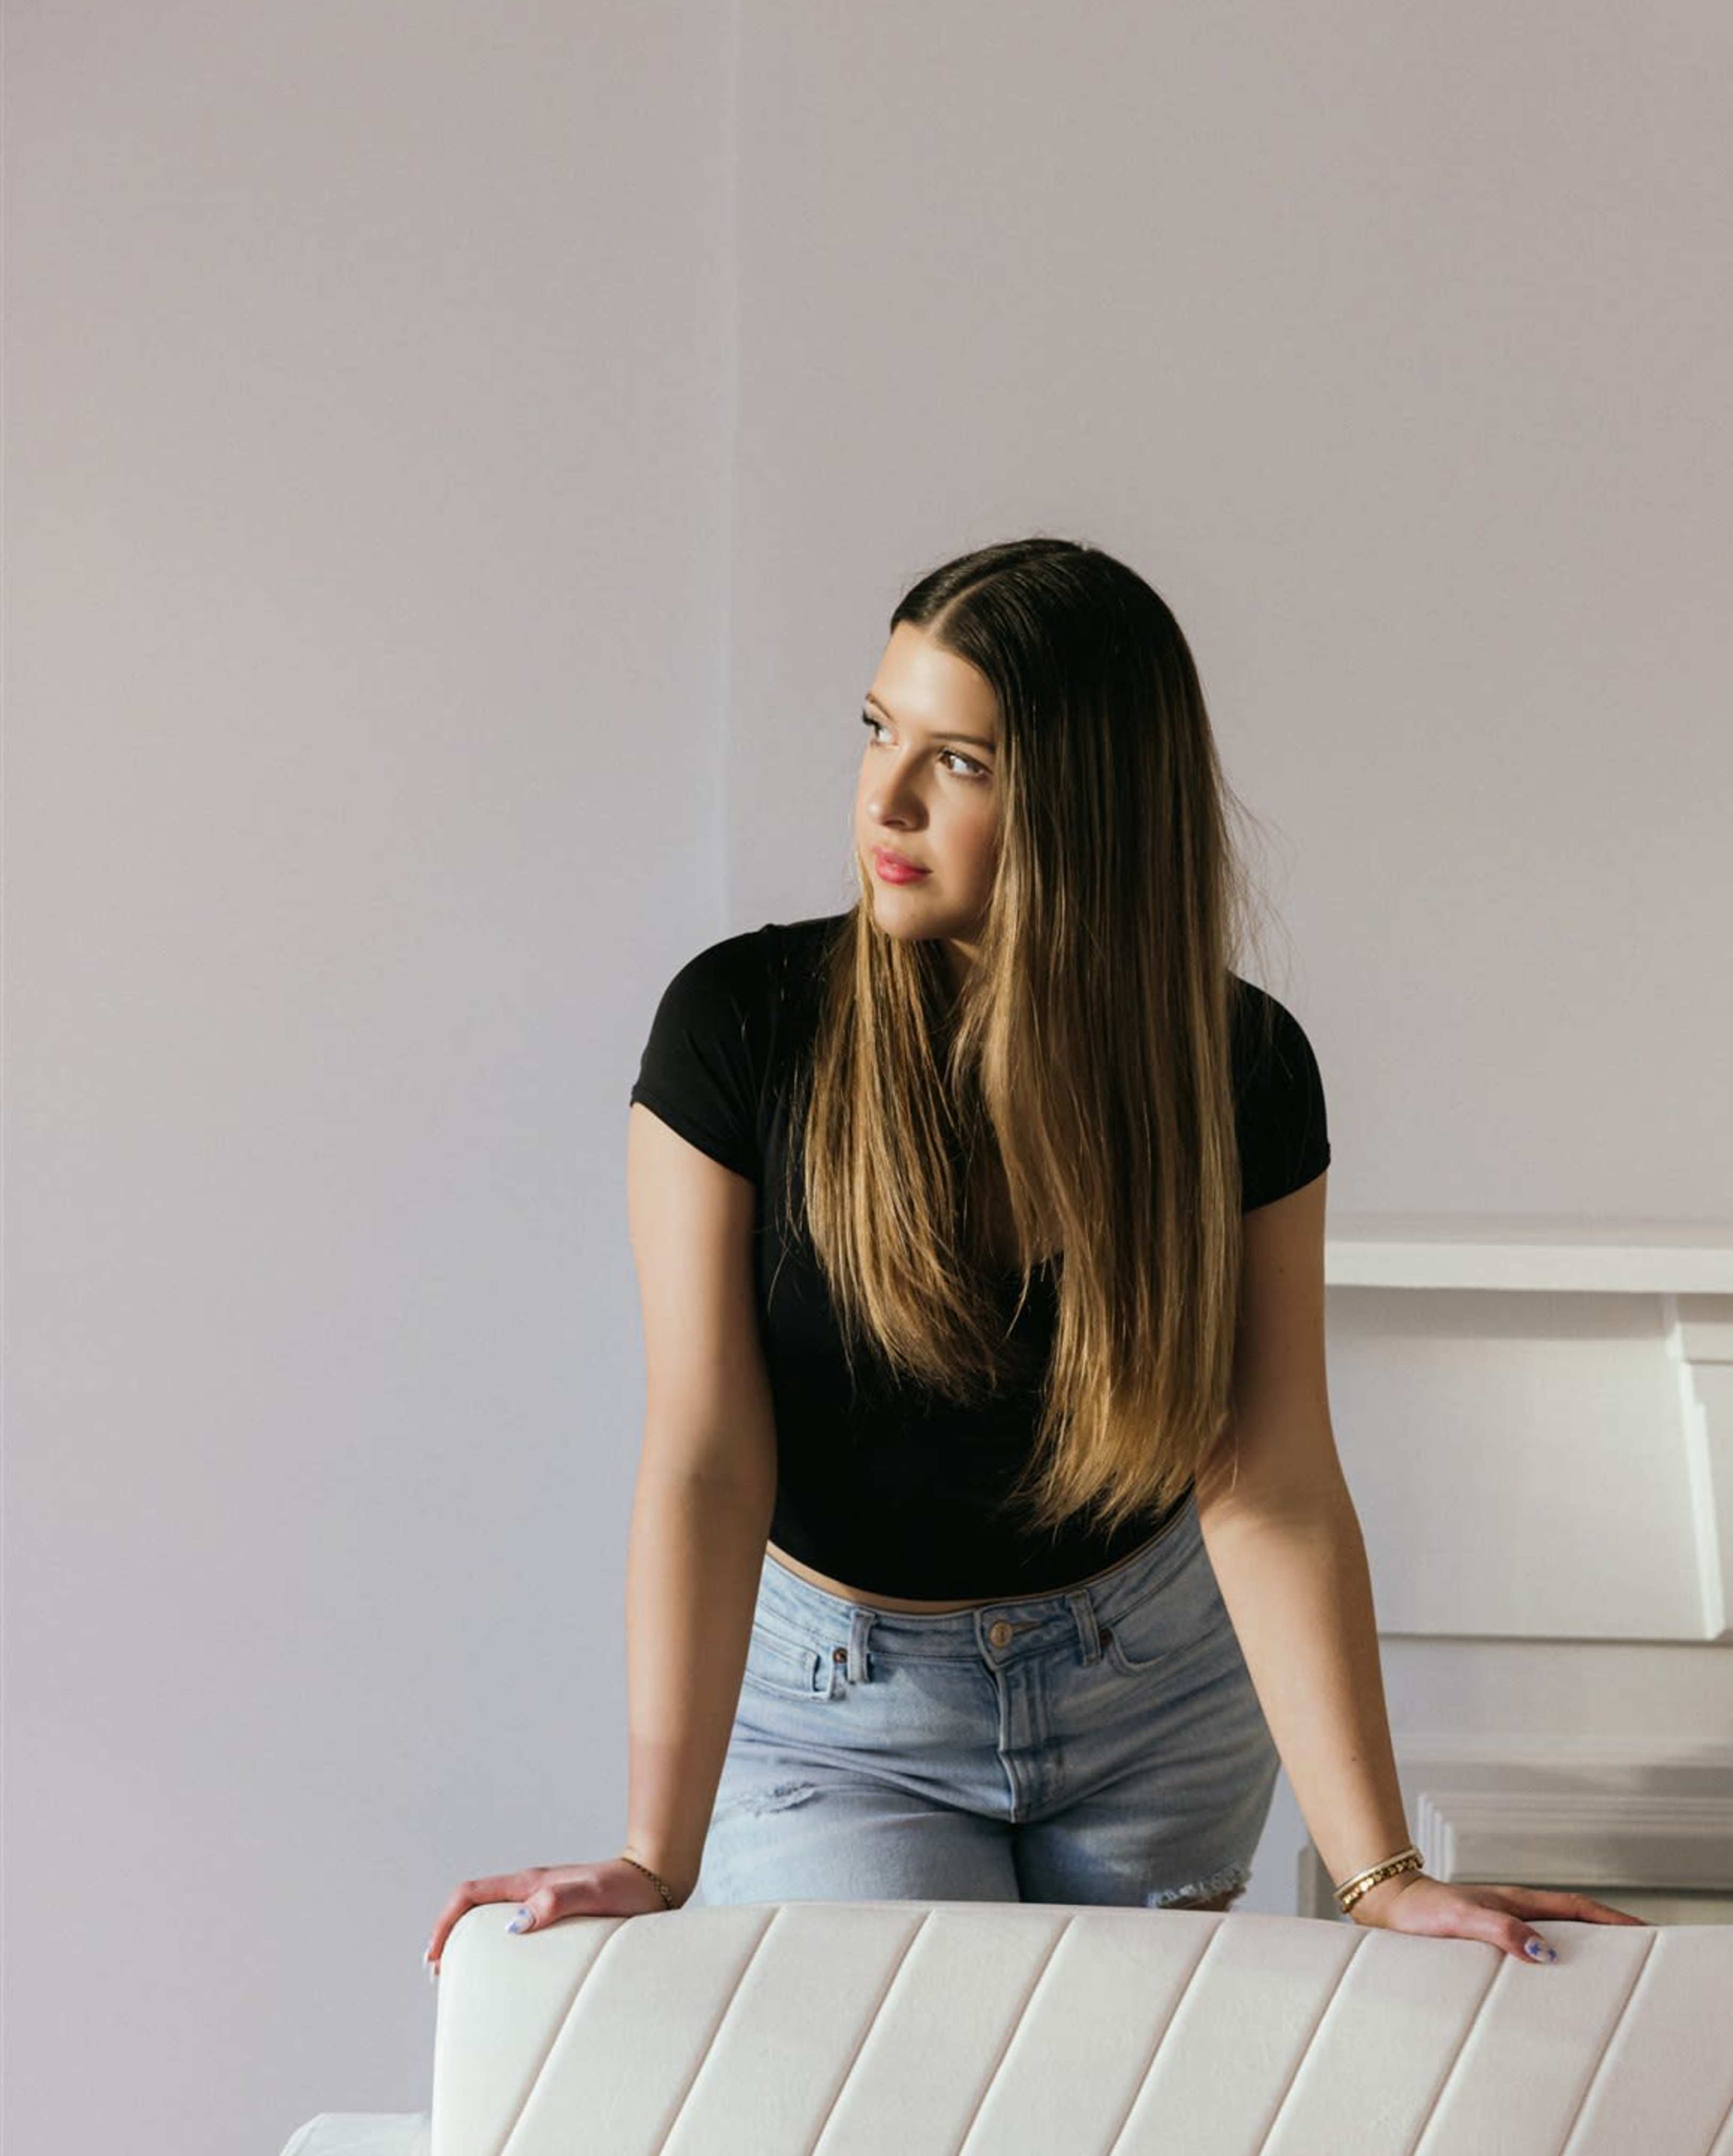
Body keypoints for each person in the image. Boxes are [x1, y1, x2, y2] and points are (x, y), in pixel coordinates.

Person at [424, 537, 1643, 1974]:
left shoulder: (1240, 1071)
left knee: (1104, 2114)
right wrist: (654, 1853)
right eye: (878, 730)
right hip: (845, 1716)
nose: (885, 799)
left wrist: (1381, 1874)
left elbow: (1269, 1479)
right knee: (914, 2092)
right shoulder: (740, 1029)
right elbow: (708, 1452)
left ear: (1088, 808)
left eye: (962, 763)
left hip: (1155, 1696)